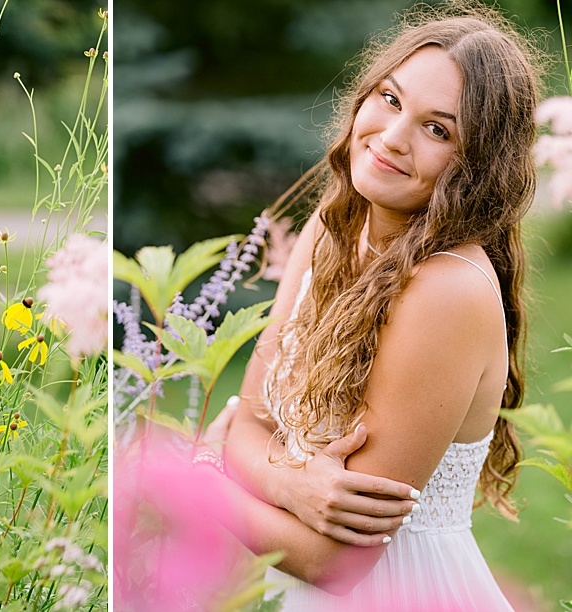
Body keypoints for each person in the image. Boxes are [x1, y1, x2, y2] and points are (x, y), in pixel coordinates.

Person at [206, 6, 537, 609]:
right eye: (390, 99)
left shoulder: (447, 291)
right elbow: (250, 418)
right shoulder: (334, 228)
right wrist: (283, 480)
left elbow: (332, 562)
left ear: (478, 167)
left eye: (438, 130)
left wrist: (198, 482)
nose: (390, 137)